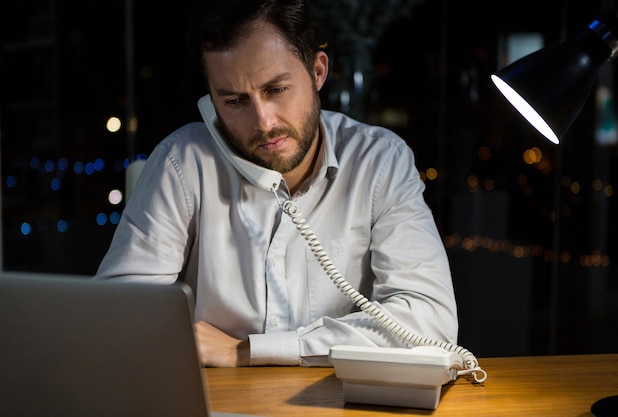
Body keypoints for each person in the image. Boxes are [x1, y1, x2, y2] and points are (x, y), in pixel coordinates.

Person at [94, 0, 459, 368]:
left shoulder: (380, 162)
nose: (263, 123)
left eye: (276, 90)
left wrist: (246, 351)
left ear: (317, 72)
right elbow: (117, 321)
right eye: (235, 101)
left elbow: (430, 324)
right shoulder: (181, 161)